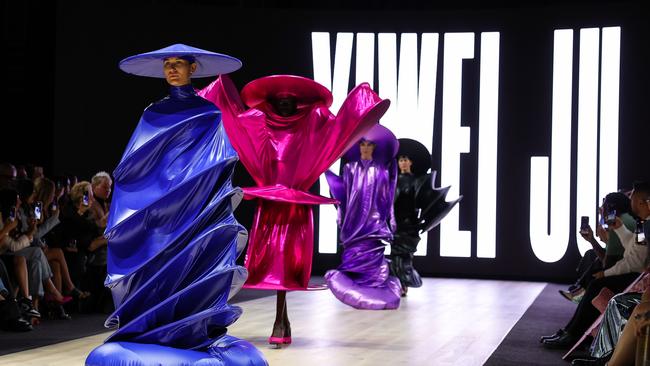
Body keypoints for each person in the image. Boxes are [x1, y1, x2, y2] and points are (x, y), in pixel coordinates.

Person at [85, 44, 266, 366]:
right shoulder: (152, 114)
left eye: (178, 64)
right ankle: (154, 329)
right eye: (168, 64)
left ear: (192, 69)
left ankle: (191, 331)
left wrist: (196, 199)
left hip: (195, 209)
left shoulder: (208, 114)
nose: (171, 69)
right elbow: (136, 168)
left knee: (192, 266)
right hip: (160, 213)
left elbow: (216, 165)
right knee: (160, 270)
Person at [200, 73, 389, 345]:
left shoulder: (311, 126)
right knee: (269, 263)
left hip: (295, 206)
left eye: (291, 100)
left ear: (299, 104)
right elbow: (237, 129)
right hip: (270, 203)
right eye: (280, 100)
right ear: (272, 103)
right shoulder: (258, 124)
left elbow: (335, 133)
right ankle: (280, 320)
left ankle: (280, 320)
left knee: (287, 264)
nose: (285, 104)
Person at [542, 184, 649, 349]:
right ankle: (571, 332)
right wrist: (619, 229)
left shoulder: (644, 225)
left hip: (638, 279)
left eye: (632, 197)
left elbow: (635, 262)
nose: (630, 200)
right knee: (596, 281)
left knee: (597, 285)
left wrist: (606, 273)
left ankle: (573, 334)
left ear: (642, 202)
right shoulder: (641, 224)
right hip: (637, 275)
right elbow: (634, 250)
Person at [324, 125, 402, 310]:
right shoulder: (350, 169)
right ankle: (354, 282)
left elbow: (387, 196)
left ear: (374, 148)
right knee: (354, 255)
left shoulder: (382, 171)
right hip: (354, 220)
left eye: (369, 145)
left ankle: (374, 284)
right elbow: (344, 194)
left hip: (374, 222)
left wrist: (391, 217)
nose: (365, 148)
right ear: (358, 147)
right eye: (362, 144)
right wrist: (340, 214)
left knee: (372, 252)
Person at [390, 138, 461, 296]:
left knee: (405, 255)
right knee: (396, 255)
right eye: (400, 160)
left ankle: (404, 283)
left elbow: (423, 201)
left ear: (410, 162)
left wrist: (422, 222)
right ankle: (398, 283)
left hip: (410, 224)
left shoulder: (418, 180)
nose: (403, 162)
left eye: (405, 160)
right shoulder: (392, 181)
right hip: (395, 223)